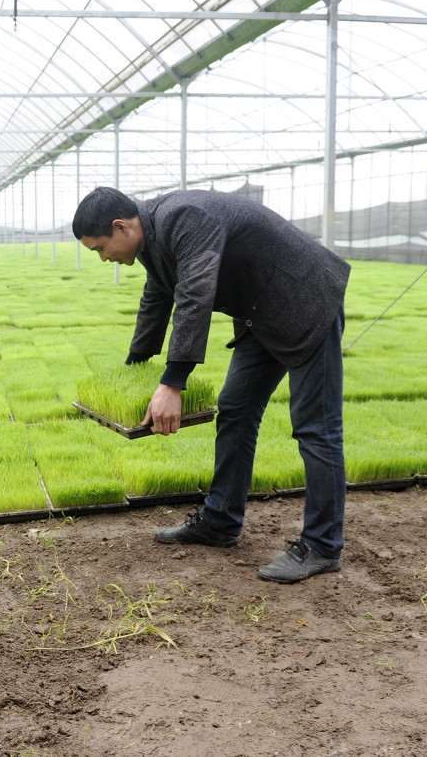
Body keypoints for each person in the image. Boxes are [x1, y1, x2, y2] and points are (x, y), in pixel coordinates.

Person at [71, 186, 350, 584]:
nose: (102, 258)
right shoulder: (149, 239)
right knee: (235, 408)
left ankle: (322, 545)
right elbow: (158, 295)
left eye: (100, 248)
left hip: (305, 301)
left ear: (121, 227)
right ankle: (220, 521)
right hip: (262, 313)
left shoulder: (184, 217)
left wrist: (173, 382)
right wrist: (136, 363)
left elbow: (195, 293)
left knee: (315, 427)